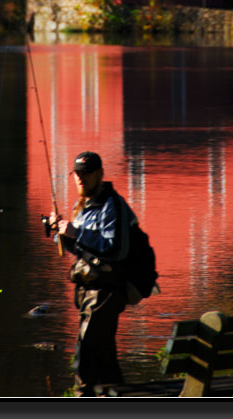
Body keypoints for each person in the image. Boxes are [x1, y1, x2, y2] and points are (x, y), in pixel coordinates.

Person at [50, 151, 137, 397]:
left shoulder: (112, 204)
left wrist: (76, 232)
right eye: (77, 175)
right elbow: (82, 249)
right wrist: (60, 232)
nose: (80, 179)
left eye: (86, 174)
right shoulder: (84, 207)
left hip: (107, 291)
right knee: (104, 356)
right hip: (88, 292)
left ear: (99, 174)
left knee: (85, 354)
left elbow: (115, 248)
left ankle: (83, 398)